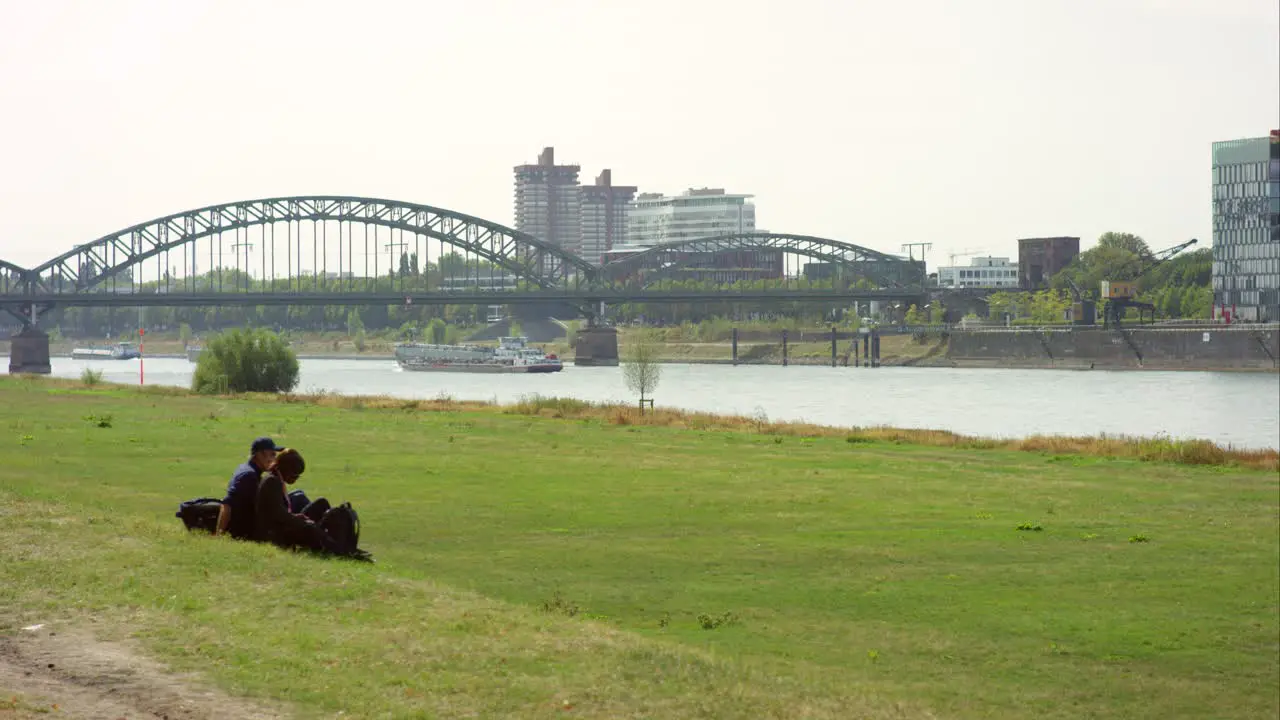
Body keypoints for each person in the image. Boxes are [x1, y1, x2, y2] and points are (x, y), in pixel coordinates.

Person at [255, 448, 328, 552]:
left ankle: (330, 541)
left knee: (321, 503)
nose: (296, 479)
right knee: (310, 527)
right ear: (285, 470)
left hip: (279, 526)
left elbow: (280, 513)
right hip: (273, 534)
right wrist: (302, 522)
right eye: (294, 475)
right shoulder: (272, 482)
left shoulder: (276, 479)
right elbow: (279, 515)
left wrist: (296, 517)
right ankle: (332, 546)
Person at [216, 437, 283, 539]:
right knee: (298, 498)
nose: (274, 459)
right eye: (272, 454)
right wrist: (219, 534)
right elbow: (227, 504)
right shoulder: (249, 475)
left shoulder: (248, 469)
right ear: (260, 455)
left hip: (250, 525)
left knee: (297, 495)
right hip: (245, 530)